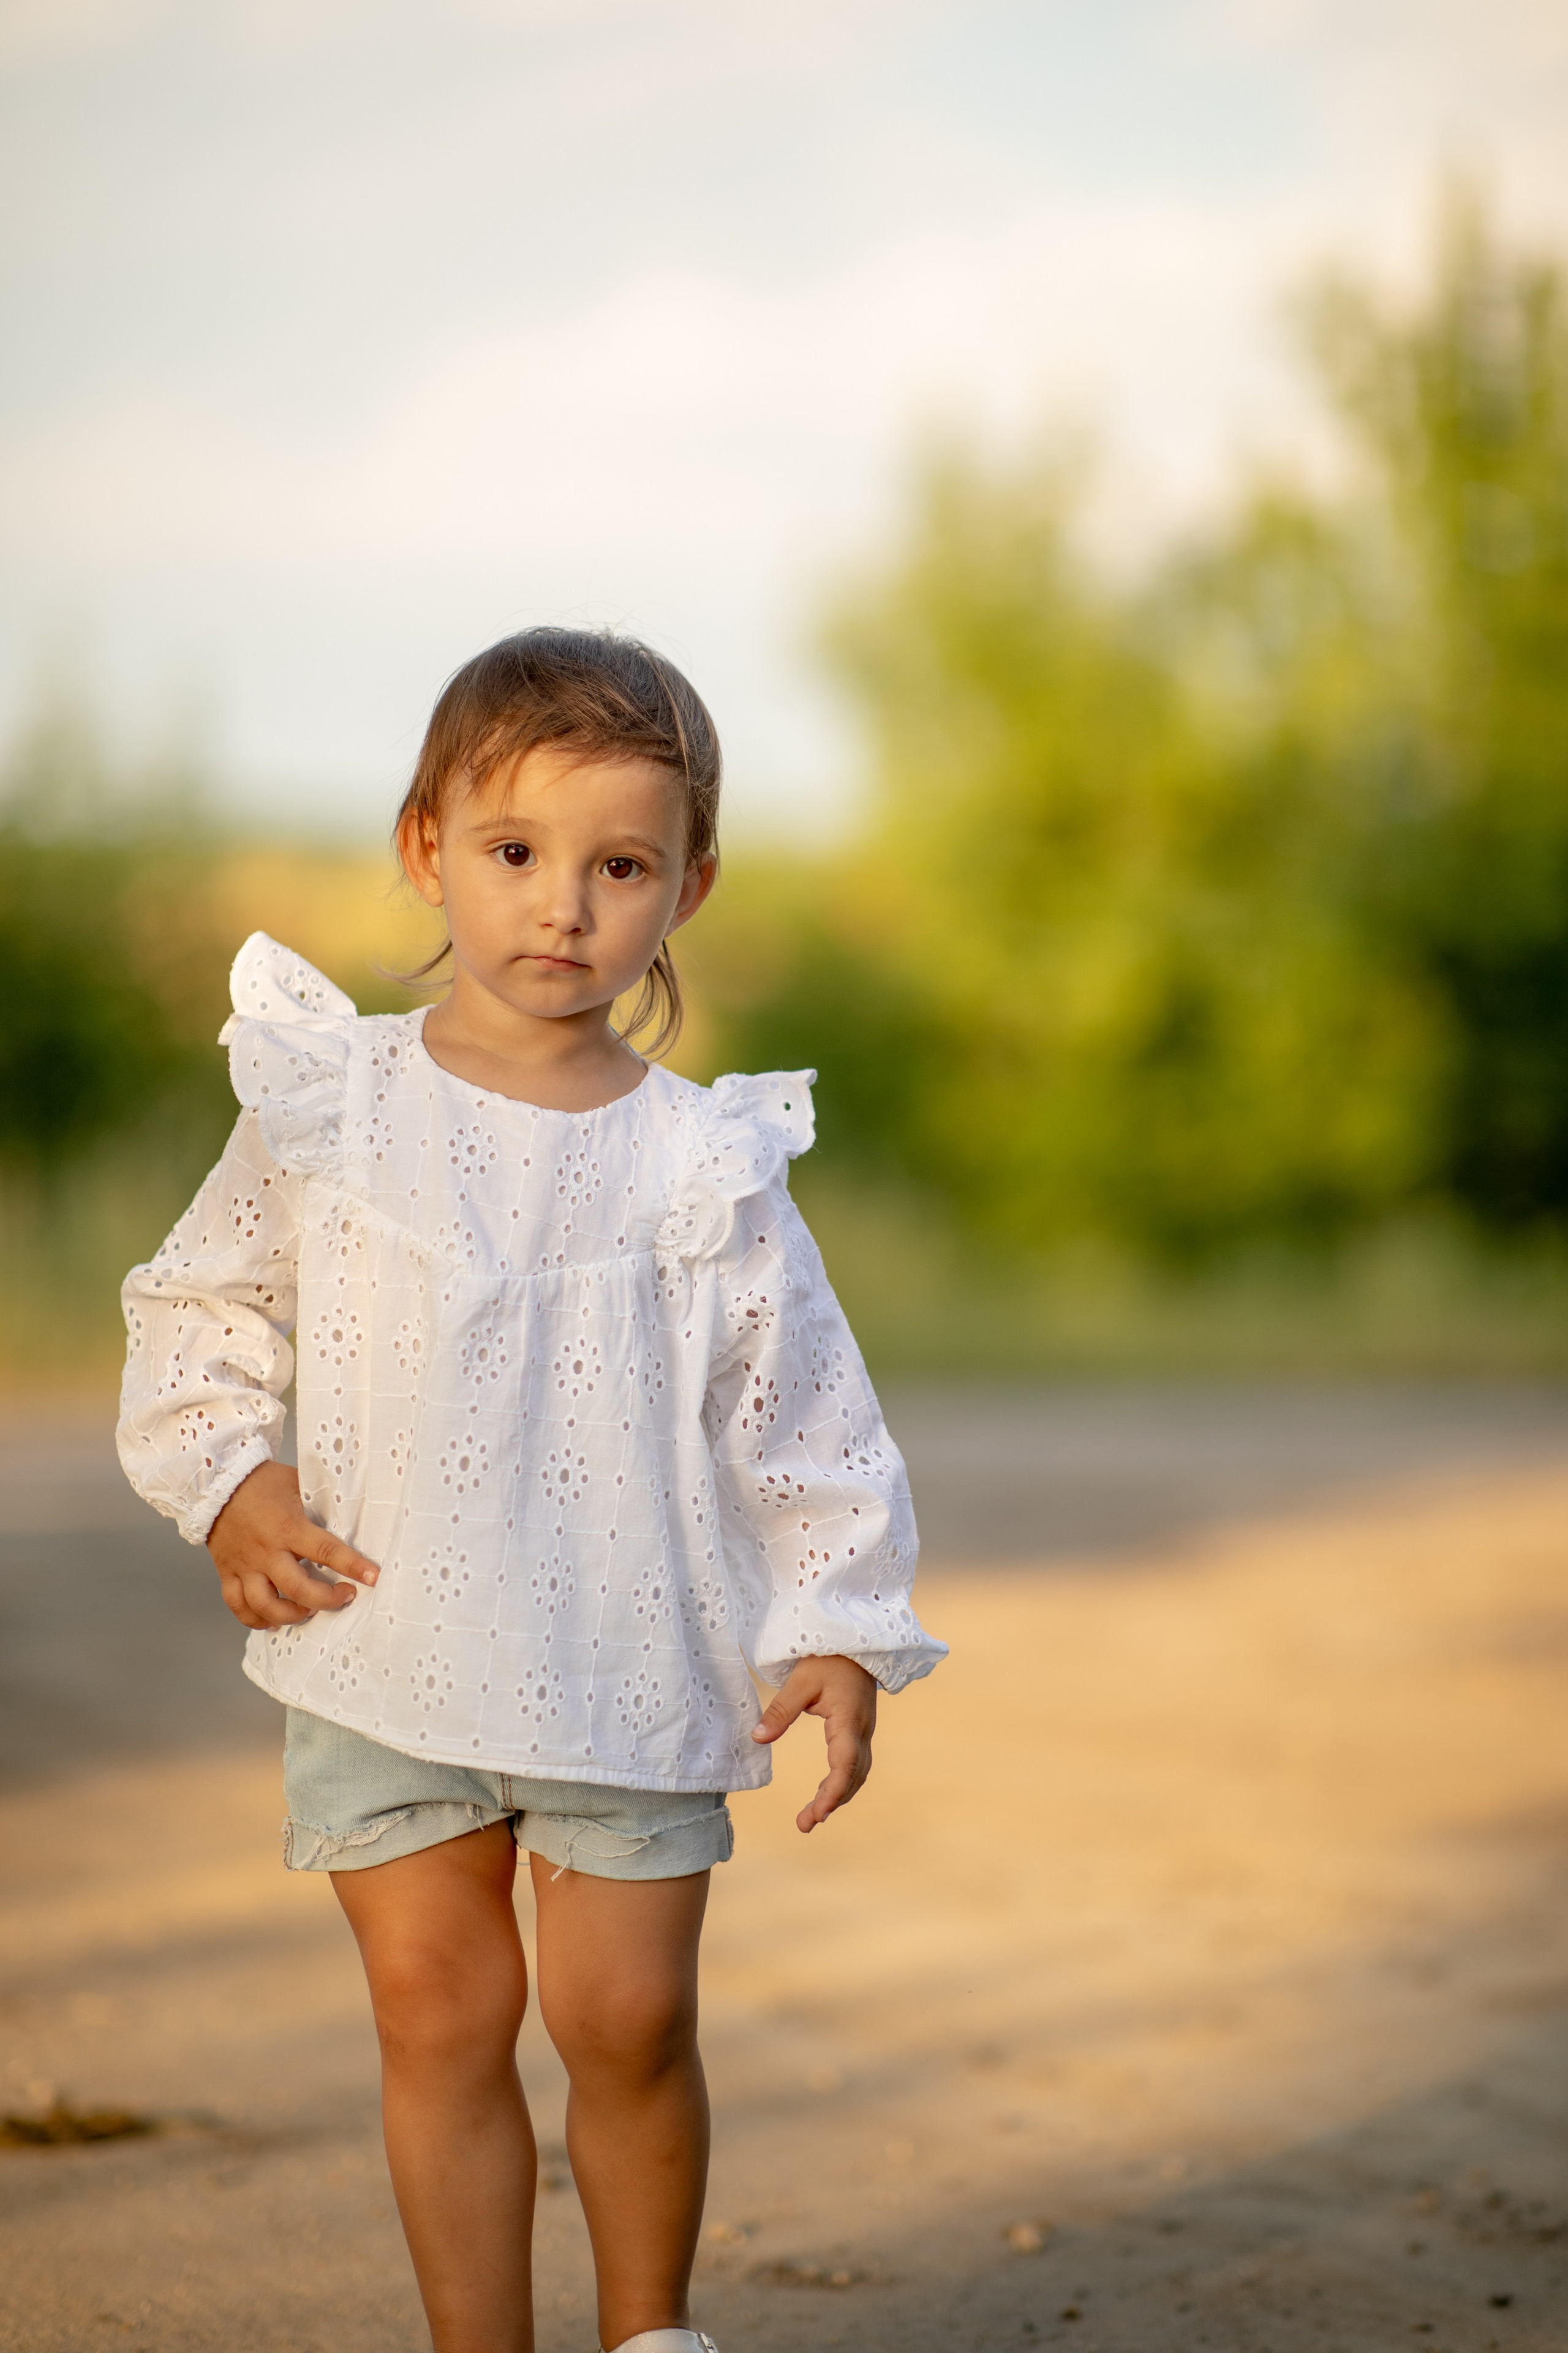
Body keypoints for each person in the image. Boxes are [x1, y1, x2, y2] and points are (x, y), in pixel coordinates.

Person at [116, 627, 946, 2353]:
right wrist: (228, 1481)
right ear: (426, 846)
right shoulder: (332, 1105)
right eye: (513, 853)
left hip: (626, 1654)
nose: (560, 906)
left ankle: (651, 2330)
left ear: (686, 887)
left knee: (627, 2014)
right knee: (437, 2009)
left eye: (619, 865)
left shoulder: (705, 1160)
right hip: (381, 1633)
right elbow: (204, 1300)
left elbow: (805, 1411)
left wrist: (842, 1624)